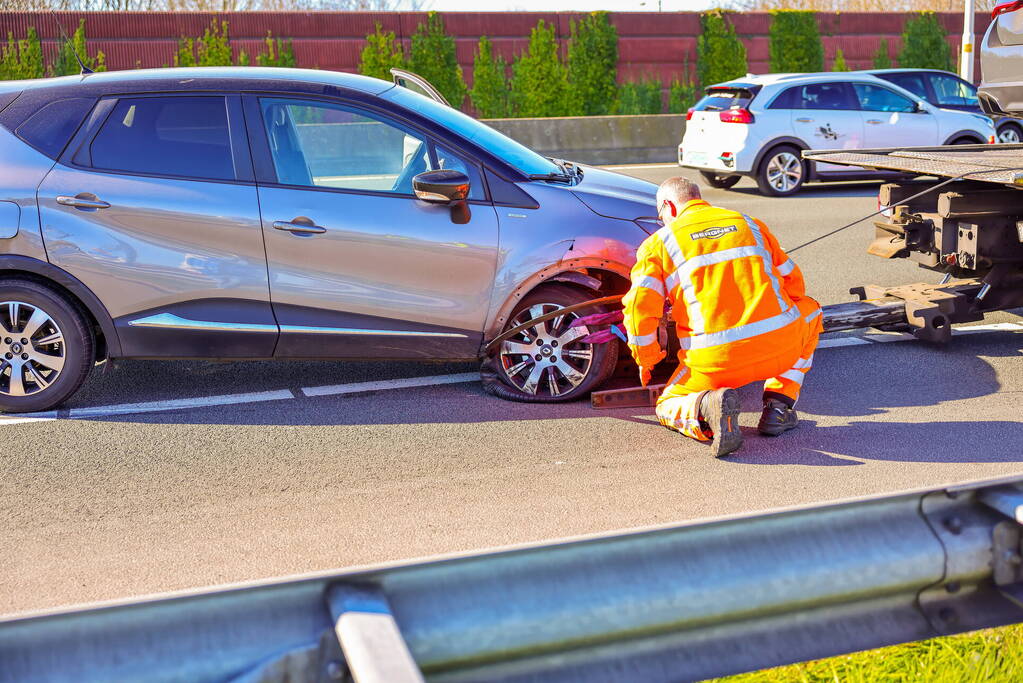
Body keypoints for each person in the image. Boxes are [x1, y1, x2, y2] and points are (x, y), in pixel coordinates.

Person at [621, 177, 821, 457]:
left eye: (660, 215)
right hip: (780, 350)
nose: (662, 221)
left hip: (716, 363)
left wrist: (647, 359)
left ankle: (705, 408)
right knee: (812, 310)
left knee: (667, 404)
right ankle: (779, 406)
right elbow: (795, 284)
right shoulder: (748, 223)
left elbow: (639, 309)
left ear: (668, 206)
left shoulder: (659, 244)